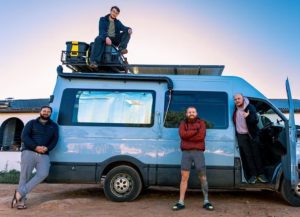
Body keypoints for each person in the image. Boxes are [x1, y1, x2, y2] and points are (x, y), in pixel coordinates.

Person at [11, 106, 59, 209]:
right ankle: (21, 202)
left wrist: (47, 148)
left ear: (50, 114)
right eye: (44, 111)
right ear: (40, 112)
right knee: (25, 176)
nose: (46, 113)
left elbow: (55, 140)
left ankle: (19, 193)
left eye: (48, 111)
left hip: (44, 154)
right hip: (29, 152)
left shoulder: (54, 126)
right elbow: (24, 137)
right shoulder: (31, 123)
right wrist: (35, 147)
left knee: (43, 173)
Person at [172, 106, 214, 211]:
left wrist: (188, 135)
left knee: (202, 177)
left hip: (198, 153)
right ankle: (181, 202)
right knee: (184, 177)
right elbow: (182, 135)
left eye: (193, 112)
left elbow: (201, 137)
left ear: (196, 113)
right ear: (186, 113)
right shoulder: (183, 123)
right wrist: (195, 131)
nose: (191, 113)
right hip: (186, 153)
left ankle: (206, 201)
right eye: (189, 112)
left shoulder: (202, 123)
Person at [233, 93, 268, 184]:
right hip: (241, 136)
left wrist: (248, 116)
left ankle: (261, 175)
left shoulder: (250, 107)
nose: (237, 100)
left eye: (238, 98)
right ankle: (253, 176)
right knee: (248, 156)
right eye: (235, 99)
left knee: (256, 155)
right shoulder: (235, 109)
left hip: (251, 135)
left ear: (243, 98)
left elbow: (255, 120)